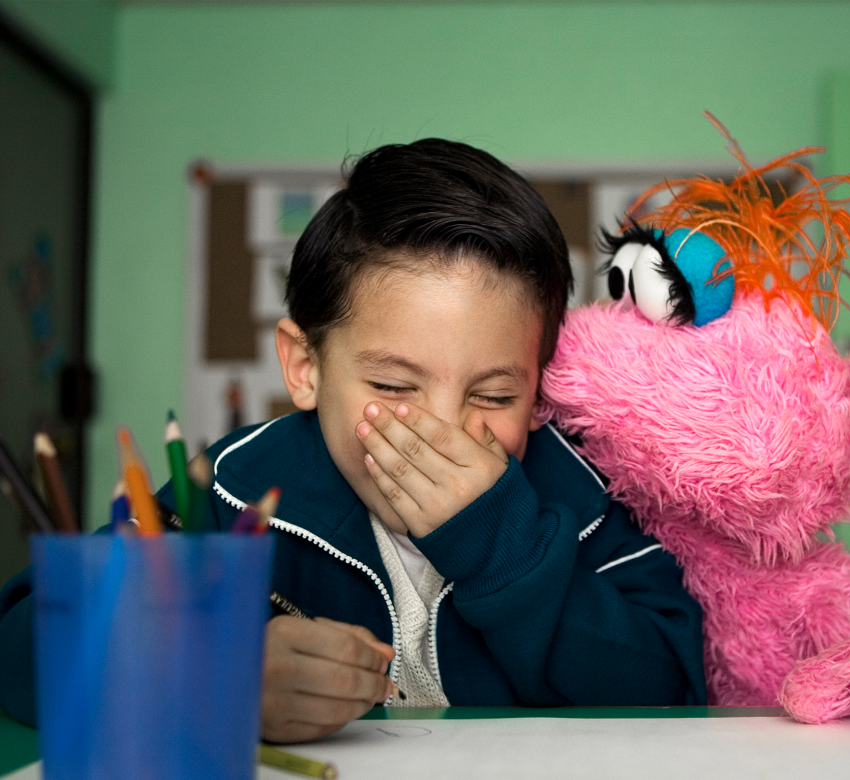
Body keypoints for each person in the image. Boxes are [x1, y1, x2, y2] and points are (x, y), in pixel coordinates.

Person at [0, 139, 708, 742]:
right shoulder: (236, 486)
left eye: (494, 396)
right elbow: (25, 640)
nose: (442, 432)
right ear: (305, 368)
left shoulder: (581, 492)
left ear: (537, 394)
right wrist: (218, 674)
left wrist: (502, 549)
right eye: (395, 387)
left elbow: (676, 689)